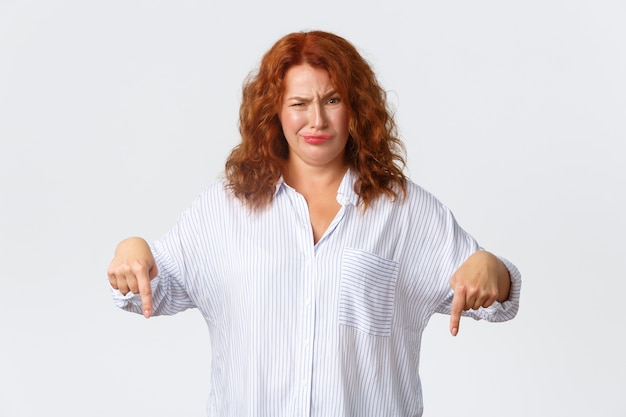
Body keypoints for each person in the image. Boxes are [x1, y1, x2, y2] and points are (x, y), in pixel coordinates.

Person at [108, 30, 521, 416]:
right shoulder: (222, 209)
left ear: (356, 107)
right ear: (275, 112)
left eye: (333, 100)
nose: (317, 120)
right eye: (299, 104)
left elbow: (495, 300)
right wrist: (132, 250)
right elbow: (150, 288)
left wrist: (492, 267)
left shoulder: (406, 211)